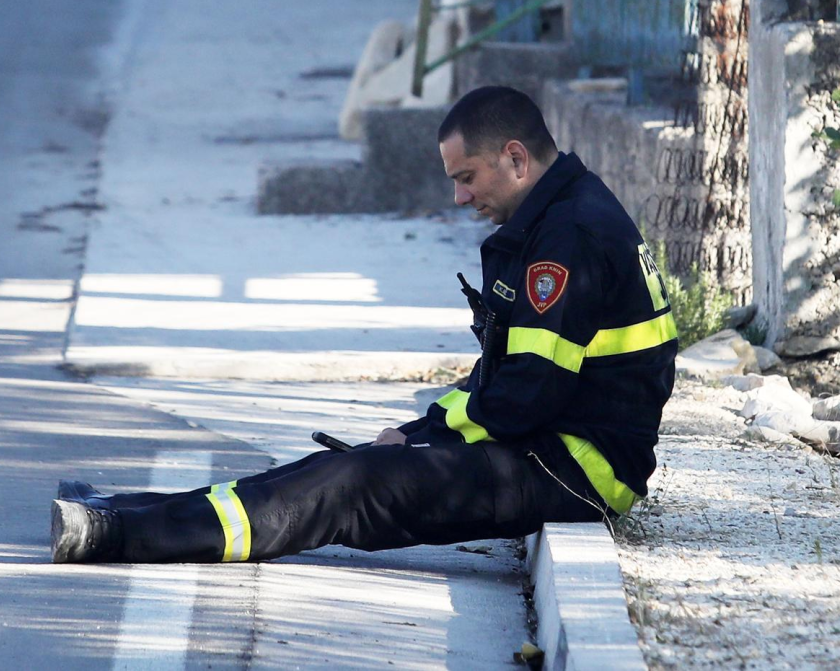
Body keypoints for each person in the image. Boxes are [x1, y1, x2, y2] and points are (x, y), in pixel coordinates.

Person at [50, 85, 678, 565]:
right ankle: (122, 509)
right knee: (337, 467)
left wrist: (426, 444)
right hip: (552, 446)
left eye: (467, 178)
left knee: (351, 485)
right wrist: (419, 431)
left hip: (575, 472)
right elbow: (509, 383)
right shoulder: (561, 216)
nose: (460, 197)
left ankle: (114, 534)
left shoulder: (566, 237)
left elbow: (525, 395)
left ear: (515, 157)